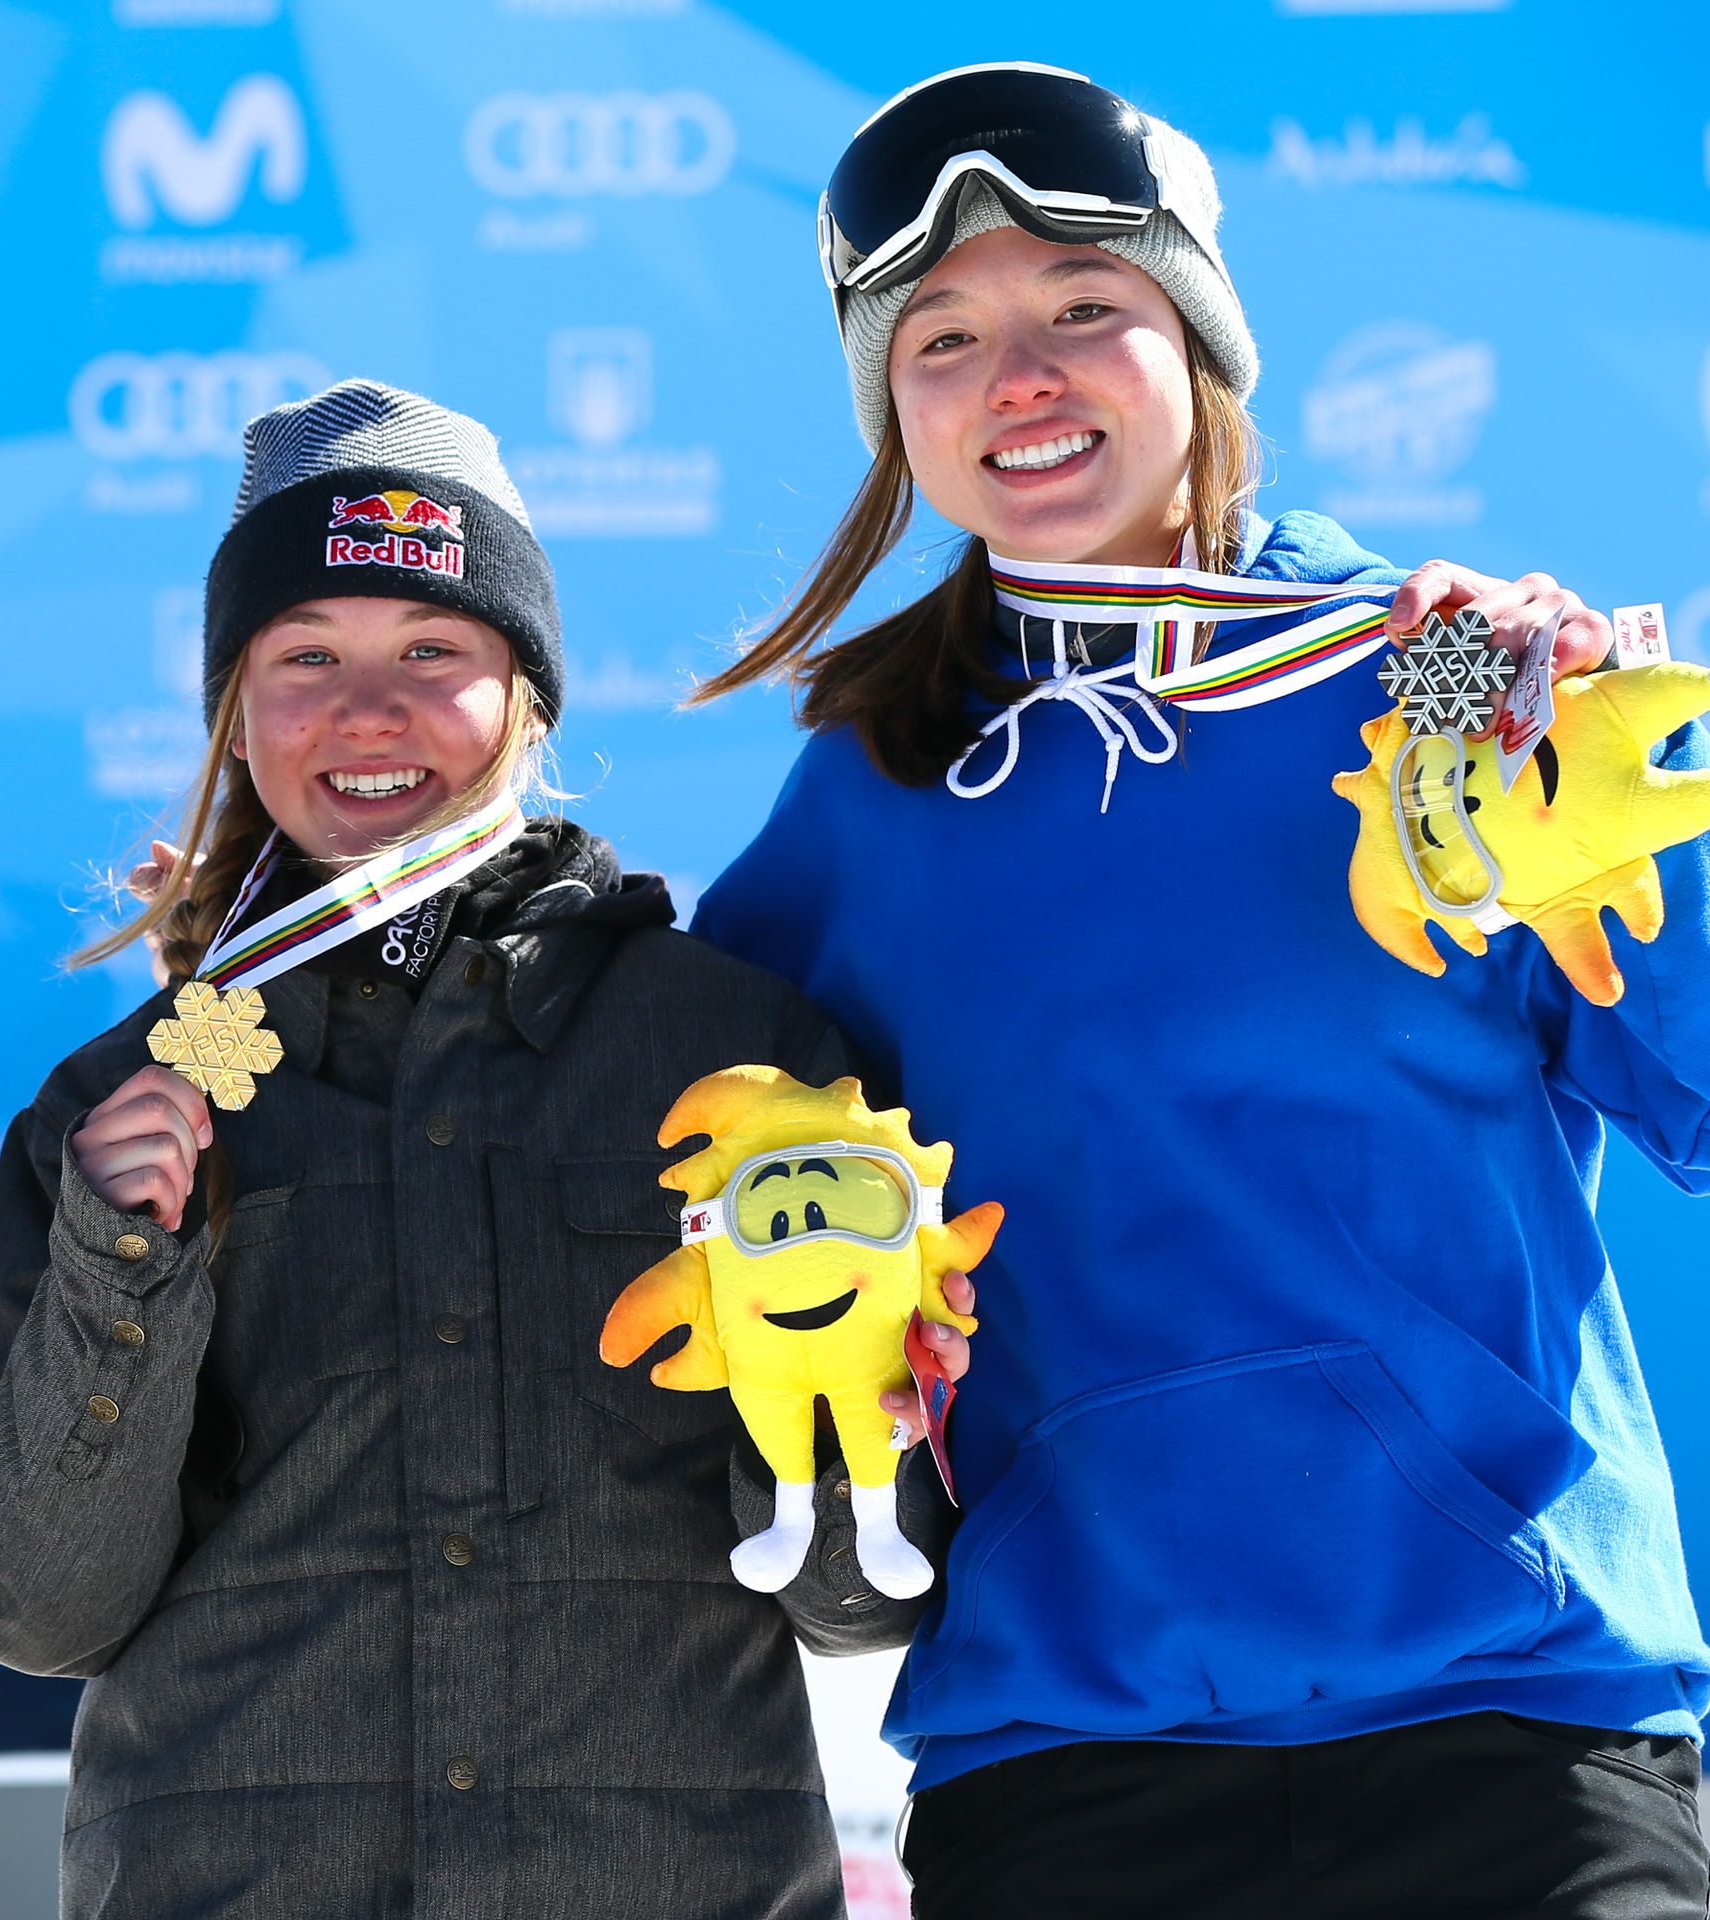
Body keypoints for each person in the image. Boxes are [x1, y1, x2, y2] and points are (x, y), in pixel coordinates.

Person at [689, 63, 1710, 1919]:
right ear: (890, 411)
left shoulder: (1452, 688)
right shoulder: (872, 794)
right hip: (1073, 1762)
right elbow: (691, 1186)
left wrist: (1648, 863)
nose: (1023, 377)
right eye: (944, 338)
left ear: (1203, 344)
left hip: (1513, 1722)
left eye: (1088, 307)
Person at [0, 378, 978, 1916]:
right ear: (231, 705)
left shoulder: (740, 1065)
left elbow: (854, 1595)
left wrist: (839, 1355)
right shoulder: (117, 1107)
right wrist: (117, 1262)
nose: (367, 710)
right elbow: (28, 1608)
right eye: (304, 659)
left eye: (433, 651)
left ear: (529, 695)